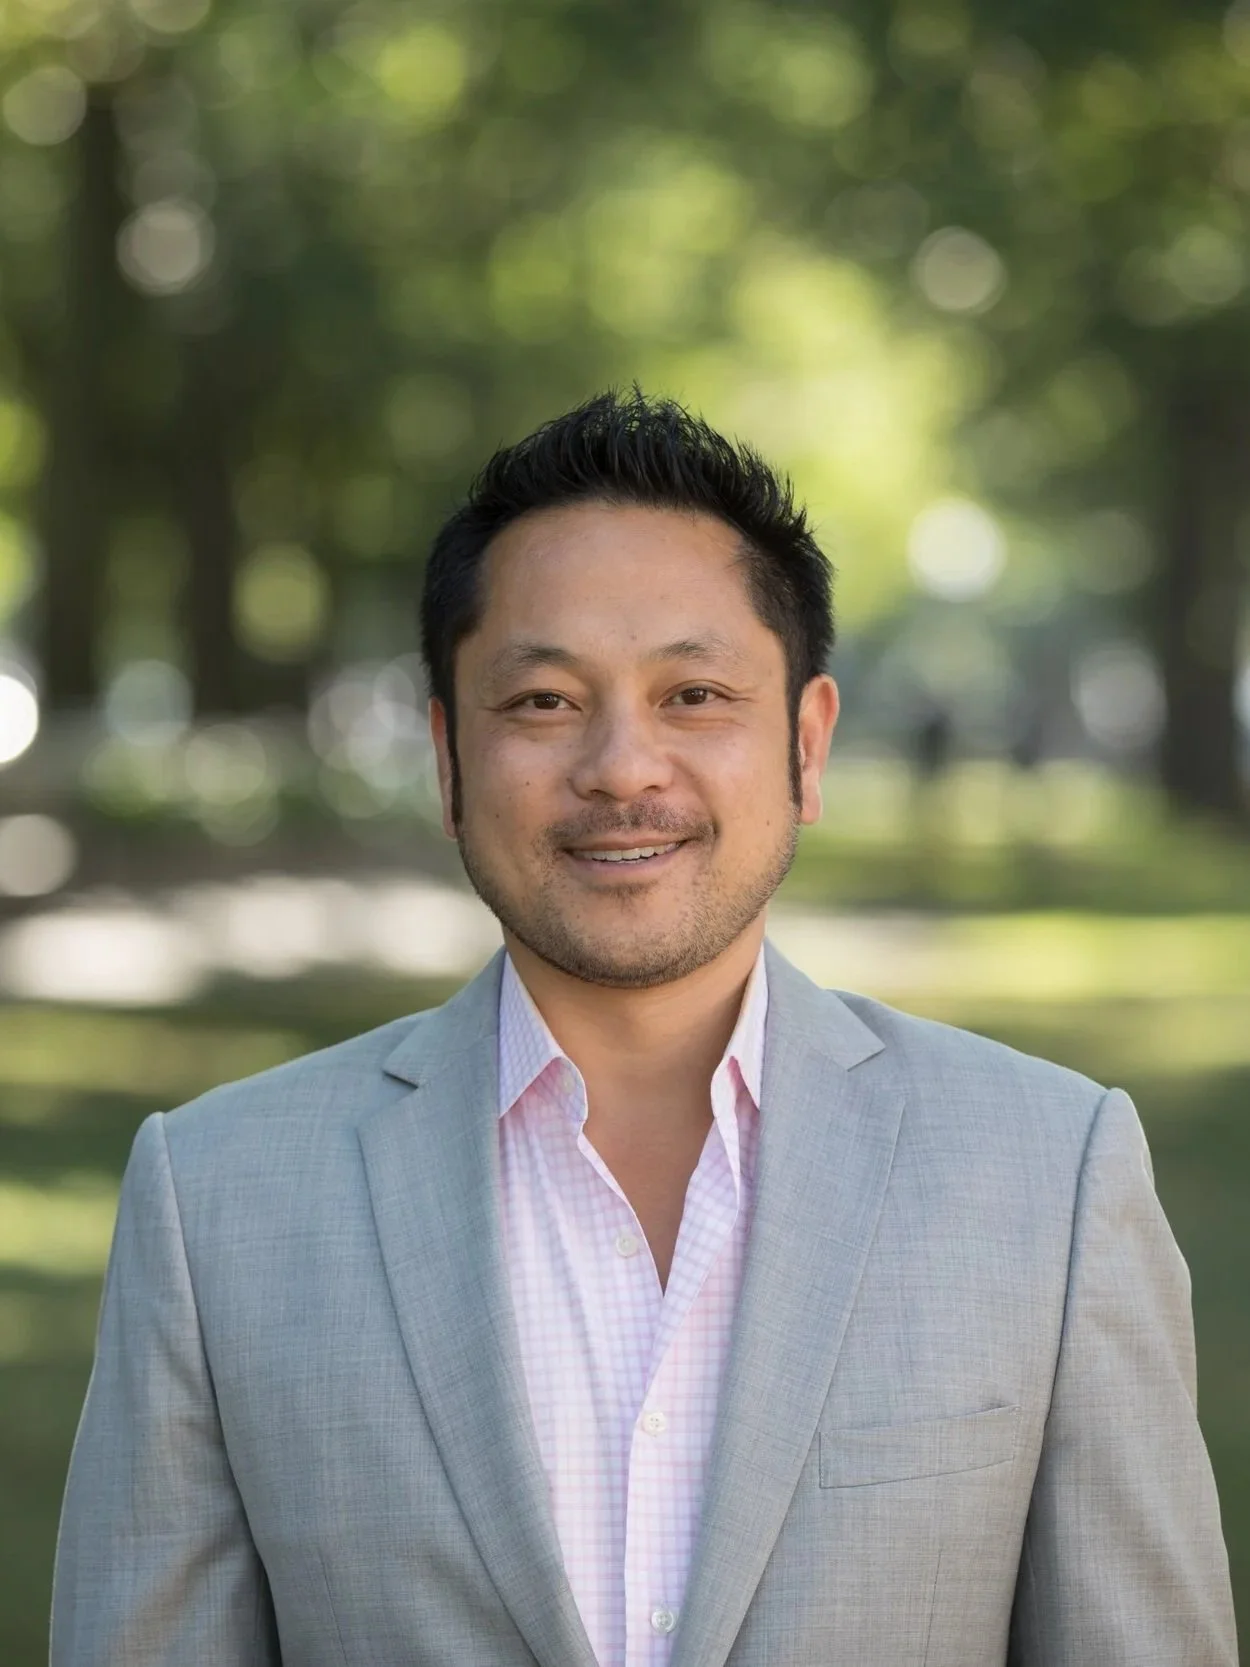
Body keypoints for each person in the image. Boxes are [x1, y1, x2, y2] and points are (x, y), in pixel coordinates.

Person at [52, 389, 1236, 1667]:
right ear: (447, 759)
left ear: (806, 743)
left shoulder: (1049, 1176)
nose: (621, 766)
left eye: (694, 693)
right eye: (542, 701)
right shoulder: (217, 1199)